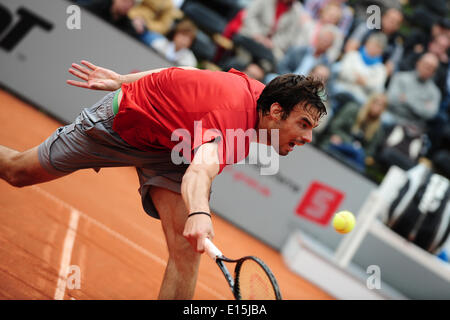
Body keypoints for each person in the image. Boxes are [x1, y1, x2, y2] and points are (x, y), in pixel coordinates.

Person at [0, 61, 326, 299]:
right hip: (123, 125)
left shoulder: (261, 97)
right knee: (18, 171)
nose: (308, 138)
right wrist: (199, 214)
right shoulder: (233, 122)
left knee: (186, 252)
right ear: (276, 112)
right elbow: (200, 171)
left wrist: (121, 77)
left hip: (172, 152)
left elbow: (182, 73)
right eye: (304, 124)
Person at [319, 93, 388, 172]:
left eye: (381, 105)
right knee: (356, 152)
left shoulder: (378, 130)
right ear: (370, 102)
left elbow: (369, 152)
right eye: (376, 102)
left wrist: (358, 148)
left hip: (354, 156)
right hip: (337, 143)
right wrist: (350, 142)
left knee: (358, 154)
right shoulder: (352, 109)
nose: (377, 107)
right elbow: (334, 126)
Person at [384, 52, 441, 130]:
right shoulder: (401, 77)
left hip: (412, 126)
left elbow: (429, 114)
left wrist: (406, 99)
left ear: (434, 72)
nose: (426, 69)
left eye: (430, 67)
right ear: (418, 63)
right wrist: (420, 105)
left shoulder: (434, 93)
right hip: (392, 116)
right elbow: (390, 99)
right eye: (425, 64)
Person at [333, 32, 387, 105]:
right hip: (341, 89)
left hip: (360, 99)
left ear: (381, 51)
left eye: (378, 47)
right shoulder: (352, 55)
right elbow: (342, 71)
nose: (373, 48)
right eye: (372, 44)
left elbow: (378, 88)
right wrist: (356, 78)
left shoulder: (381, 70)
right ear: (367, 43)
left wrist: (365, 82)